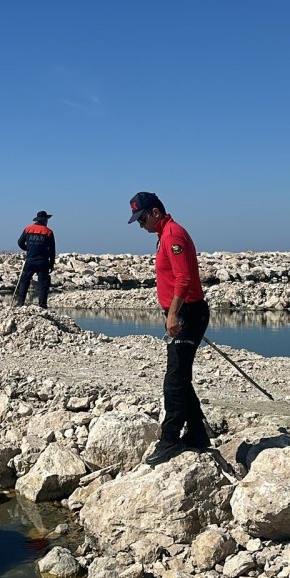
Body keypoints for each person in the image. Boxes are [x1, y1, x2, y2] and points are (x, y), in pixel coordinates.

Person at [127, 192, 211, 465]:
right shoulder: (164, 235)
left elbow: (184, 279)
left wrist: (173, 314)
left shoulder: (173, 235)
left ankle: (170, 439)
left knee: (174, 379)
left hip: (188, 313)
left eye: (142, 219)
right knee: (180, 374)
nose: (141, 225)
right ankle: (197, 433)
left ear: (155, 212)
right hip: (183, 312)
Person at [15, 211, 56, 308]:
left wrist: (28, 249)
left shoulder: (28, 229)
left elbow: (20, 242)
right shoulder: (48, 232)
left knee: (24, 281)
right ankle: (42, 305)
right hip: (43, 261)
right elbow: (52, 250)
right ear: (45, 220)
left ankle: (20, 303)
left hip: (30, 260)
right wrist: (51, 263)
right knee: (43, 284)